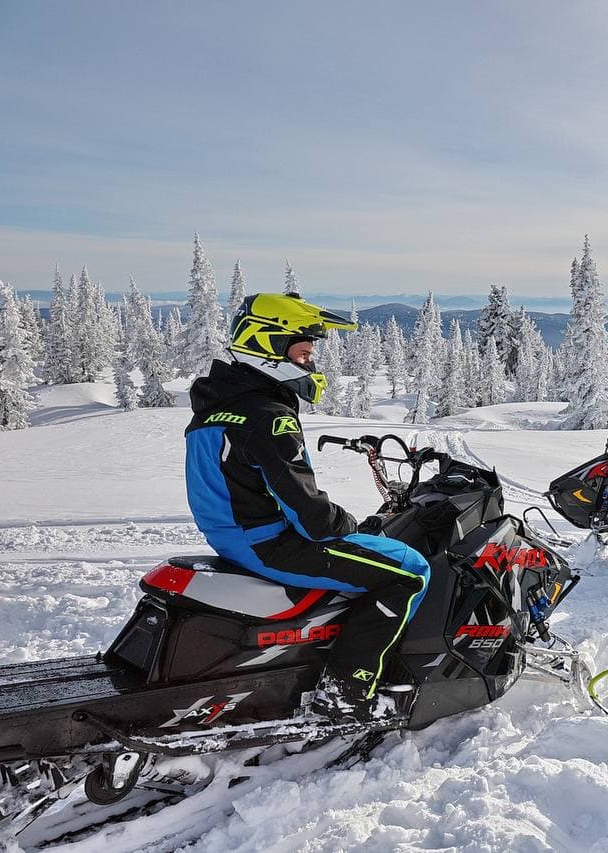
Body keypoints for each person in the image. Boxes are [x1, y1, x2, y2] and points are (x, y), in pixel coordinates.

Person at [184, 292, 430, 722]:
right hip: (268, 543)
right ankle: (348, 692)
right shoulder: (268, 416)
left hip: (235, 536)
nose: (310, 364)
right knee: (408, 572)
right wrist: (351, 524)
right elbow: (311, 517)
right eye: (303, 353)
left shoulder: (220, 404)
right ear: (268, 346)